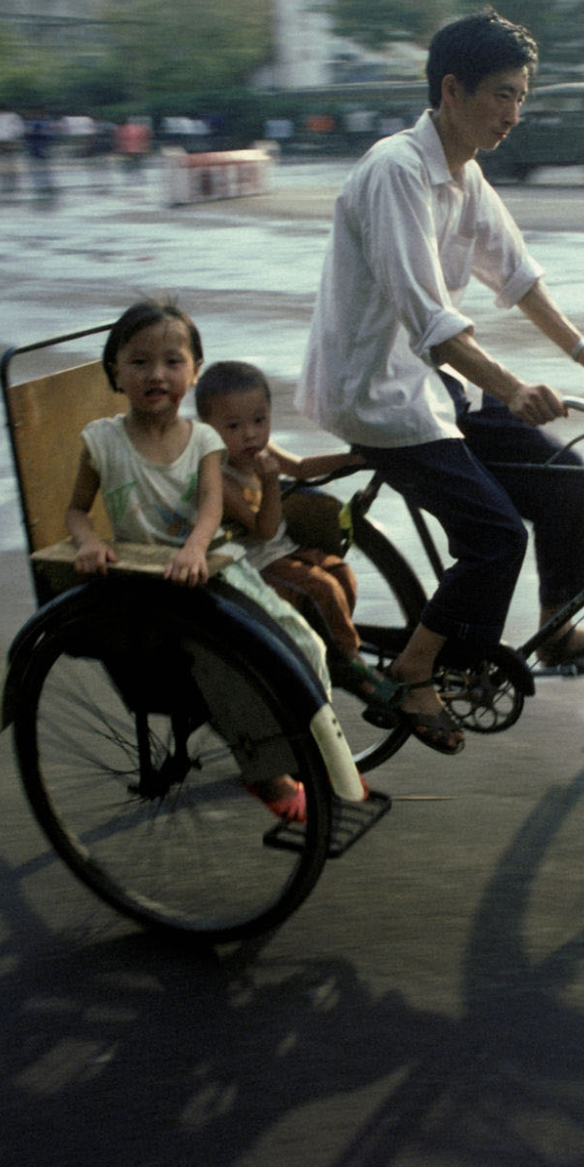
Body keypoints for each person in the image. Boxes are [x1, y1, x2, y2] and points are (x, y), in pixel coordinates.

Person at [298, 9, 584, 756]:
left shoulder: (463, 172)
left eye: (522, 97)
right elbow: (431, 318)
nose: (514, 114)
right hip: (377, 396)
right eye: (502, 96)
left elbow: (514, 273)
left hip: (427, 386)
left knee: (561, 472)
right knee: (493, 537)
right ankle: (416, 673)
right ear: (452, 90)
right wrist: (513, 387)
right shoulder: (396, 172)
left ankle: (557, 626)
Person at [66, 300, 370, 821]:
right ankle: (268, 776)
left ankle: (313, 738)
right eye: (138, 363)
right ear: (114, 370)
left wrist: (193, 548)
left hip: (203, 569)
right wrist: (89, 541)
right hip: (145, 582)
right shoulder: (102, 442)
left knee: (300, 639)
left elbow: (210, 506)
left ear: (193, 371)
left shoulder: (203, 440)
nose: (156, 375)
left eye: (171, 362)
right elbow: (76, 510)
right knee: (232, 667)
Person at [194, 360, 387, 697]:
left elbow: (300, 467)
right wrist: (270, 484)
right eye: (233, 426)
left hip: (282, 552)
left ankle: (331, 647)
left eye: (259, 420)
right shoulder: (220, 476)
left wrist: (351, 460)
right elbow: (264, 530)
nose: (250, 434)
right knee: (319, 588)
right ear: (208, 430)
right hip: (254, 566)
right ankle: (352, 663)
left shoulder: (260, 451)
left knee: (340, 573)